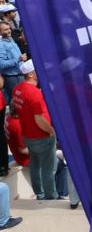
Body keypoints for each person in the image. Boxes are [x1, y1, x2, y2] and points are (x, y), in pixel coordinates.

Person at [13, 60, 58, 200]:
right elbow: (39, 119)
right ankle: (51, 196)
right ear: (31, 74)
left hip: (28, 135)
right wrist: (51, 130)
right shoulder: (34, 93)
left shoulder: (17, 88)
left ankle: (39, 193)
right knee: (48, 169)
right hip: (41, 136)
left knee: (35, 165)